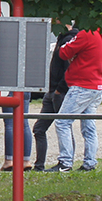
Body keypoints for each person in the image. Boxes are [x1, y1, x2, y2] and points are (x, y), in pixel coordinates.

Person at [49, 27, 102, 172]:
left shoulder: (87, 34)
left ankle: (65, 162)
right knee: (89, 127)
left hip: (81, 86)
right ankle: (90, 162)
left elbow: (63, 52)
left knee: (62, 122)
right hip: (96, 86)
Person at [33, 21, 77, 171]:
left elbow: (70, 68)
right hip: (51, 91)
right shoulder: (61, 38)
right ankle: (39, 166)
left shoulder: (69, 40)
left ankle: (66, 163)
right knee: (39, 128)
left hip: (60, 92)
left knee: (64, 126)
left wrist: (60, 89)